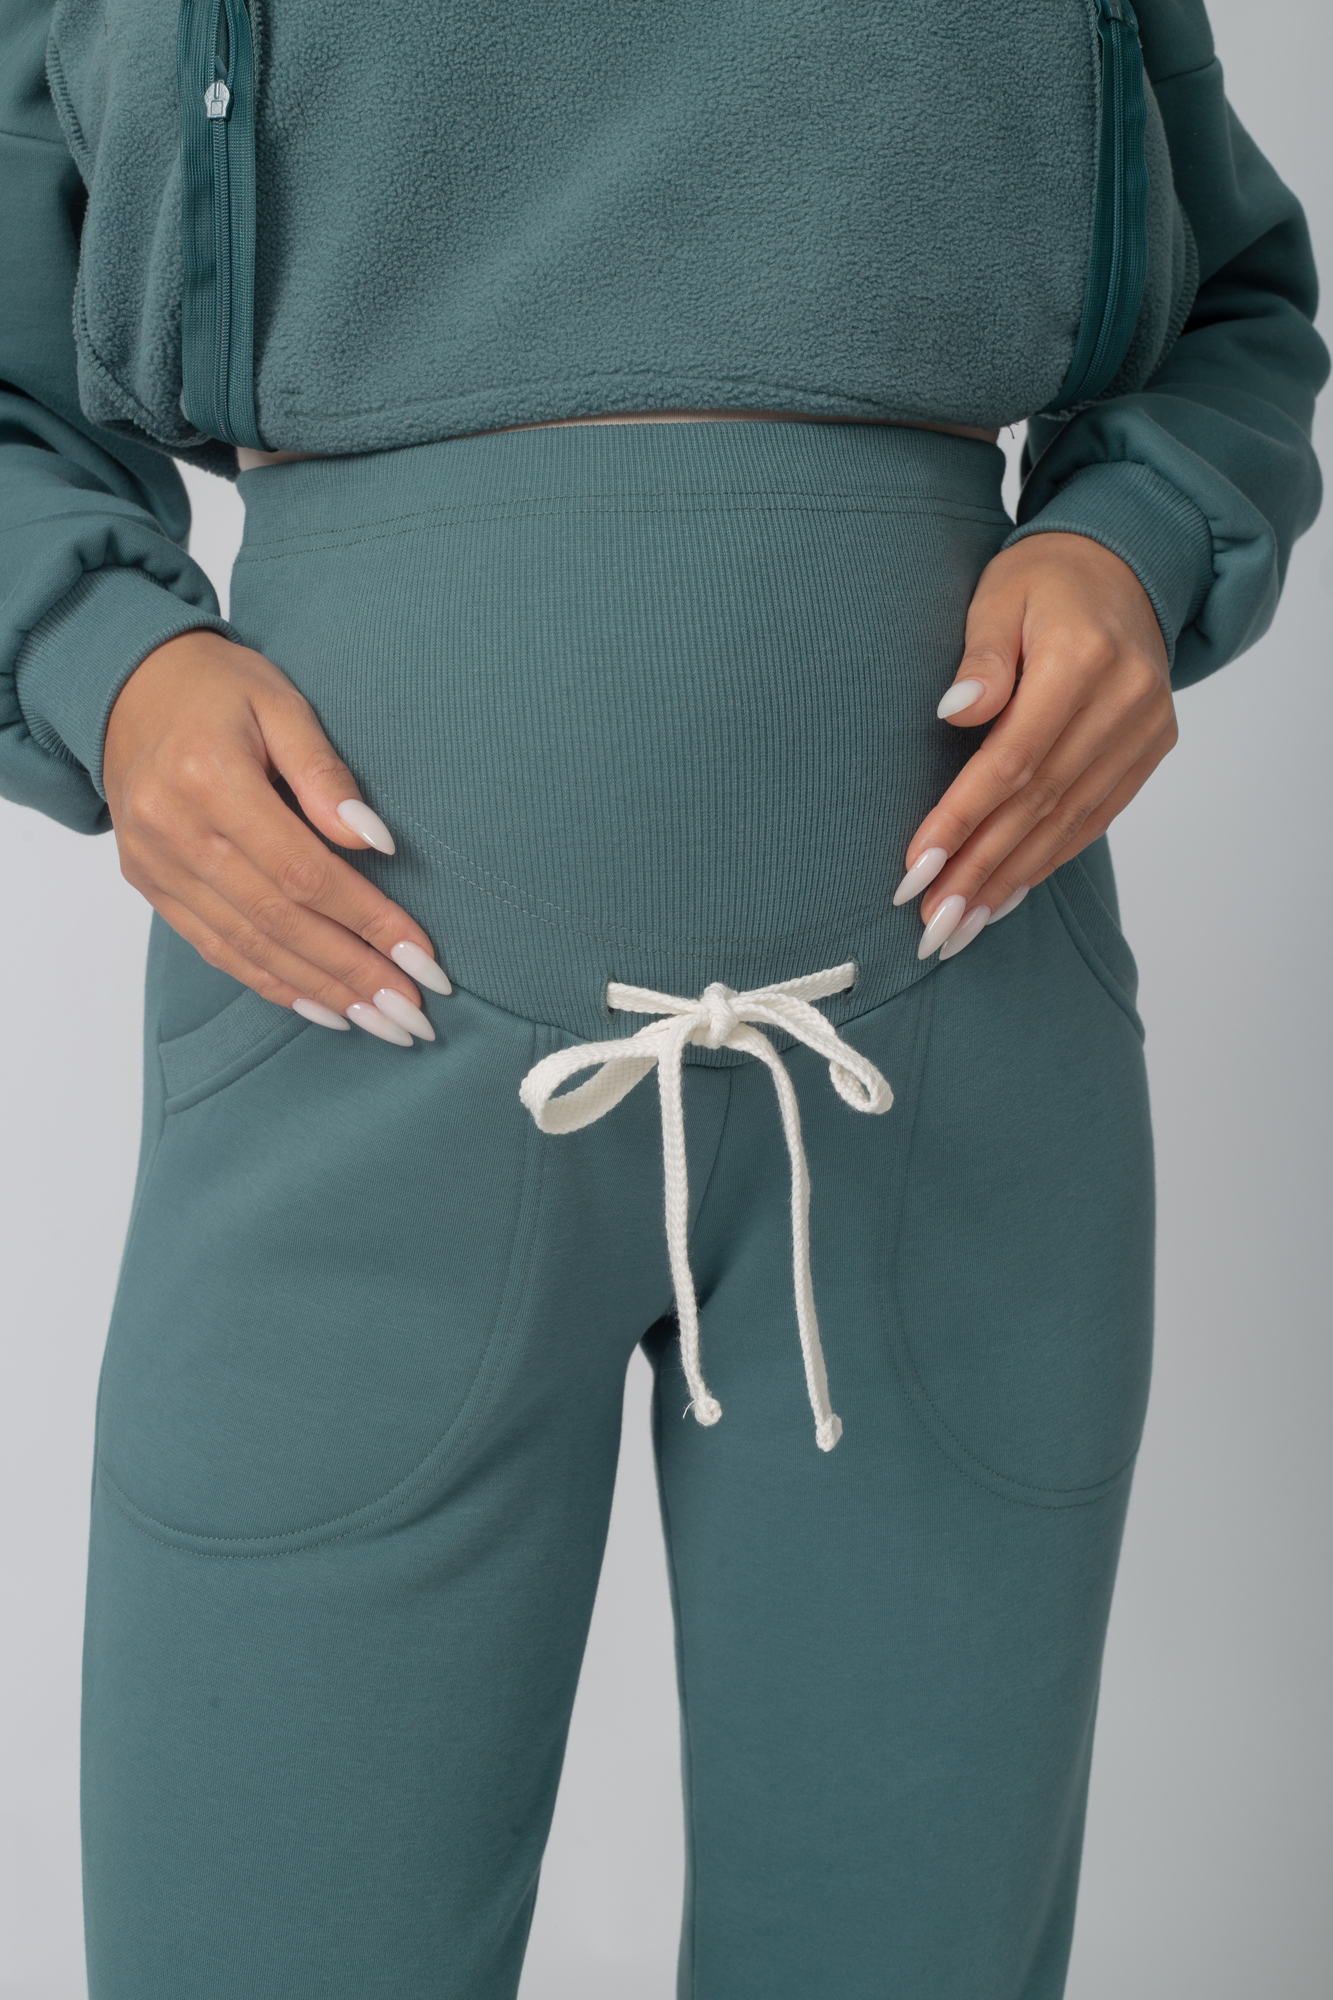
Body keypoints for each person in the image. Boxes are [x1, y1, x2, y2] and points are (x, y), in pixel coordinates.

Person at [1, 0, 1324, 1993]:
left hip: (953, 1033)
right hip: (346, 1017)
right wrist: (107, 664)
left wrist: (1133, 542)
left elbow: (1232, 298)